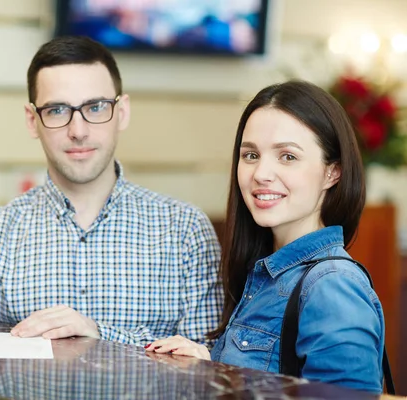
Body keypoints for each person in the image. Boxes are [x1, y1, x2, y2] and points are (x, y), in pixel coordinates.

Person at [0, 36, 223, 349]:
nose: (78, 130)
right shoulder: (0, 229)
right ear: (33, 120)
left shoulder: (185, 229)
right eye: (58, 110)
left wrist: (100, 334)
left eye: (95, 107)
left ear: (121, 112)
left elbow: (207, 360)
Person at [145, 80, 385, 393]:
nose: (261, 174)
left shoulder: (332, 285)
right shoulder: (266, 275)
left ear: (332, 172)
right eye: (251, 155)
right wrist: (210, 367)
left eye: (287, 156)